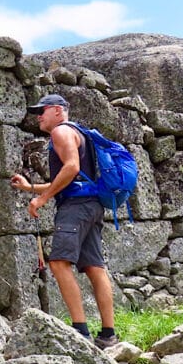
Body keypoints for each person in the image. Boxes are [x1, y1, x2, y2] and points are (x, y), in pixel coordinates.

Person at [10, 94, 119, 349]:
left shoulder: (60, 132)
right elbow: (72, 179)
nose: (39, 116)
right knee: (94, 267)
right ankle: (108, 335)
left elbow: (70, 168)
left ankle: (80, 332)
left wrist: (42, 200)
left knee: (59, 263)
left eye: (43, 111)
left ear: (58, 111)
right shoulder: (79, 134)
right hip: (92, 205)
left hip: (75, 208)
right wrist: (31, 189)